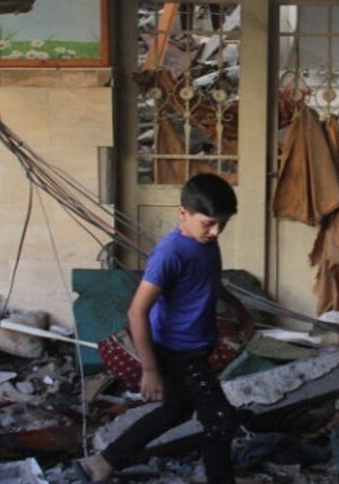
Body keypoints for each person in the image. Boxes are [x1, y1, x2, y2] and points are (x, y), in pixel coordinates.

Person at [81, 173, 244, 484]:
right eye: (209, 223)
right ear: (182, 212)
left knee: (176, 410)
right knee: (220, 419)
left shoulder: (206, 242)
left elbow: (208, 279)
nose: (216, 231)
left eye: (223, 224)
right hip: (176, 352)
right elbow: (137, 311)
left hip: (197, 345)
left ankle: (104, 462)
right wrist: (150, 369)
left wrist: (239, 308)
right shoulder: (171, 253)